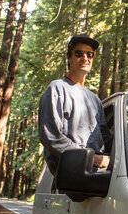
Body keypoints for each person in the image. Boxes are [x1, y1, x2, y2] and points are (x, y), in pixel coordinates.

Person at [38, 33, 112, 175]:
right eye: (79, 53)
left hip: (99, 172)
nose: (85, 58)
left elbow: (105, 137)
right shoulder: (57, 88)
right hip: (72, 174)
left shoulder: (95, 99)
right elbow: (50, 136)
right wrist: (91, 158)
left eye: (90, 54)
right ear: (69, 57)